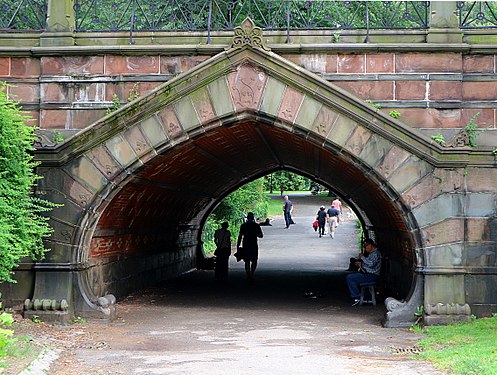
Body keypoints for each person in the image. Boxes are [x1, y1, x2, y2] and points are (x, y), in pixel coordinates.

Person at [346, 239, 382, 306]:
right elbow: (367, 265)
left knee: (350, 278)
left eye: (366, 246)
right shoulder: (371, 254)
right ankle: (358, 295)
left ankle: (356, 297)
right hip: (368, 274)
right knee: (352, 277)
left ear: (371, 245)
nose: (365, 248)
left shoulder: (375, 254)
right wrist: (360, 264)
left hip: (372, 275)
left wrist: (362, 257)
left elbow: (371, 264)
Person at [236, 212, 263, 283]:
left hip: (246, 244)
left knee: (247, 260)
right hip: (253, 244)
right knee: (254, 260)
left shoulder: (243, 225)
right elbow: (261, 235)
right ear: (253, 218)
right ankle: (252, 274)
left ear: (247, 218)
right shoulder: (256, 226)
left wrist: (238, 245)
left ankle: (248, 275)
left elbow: (240, 236)